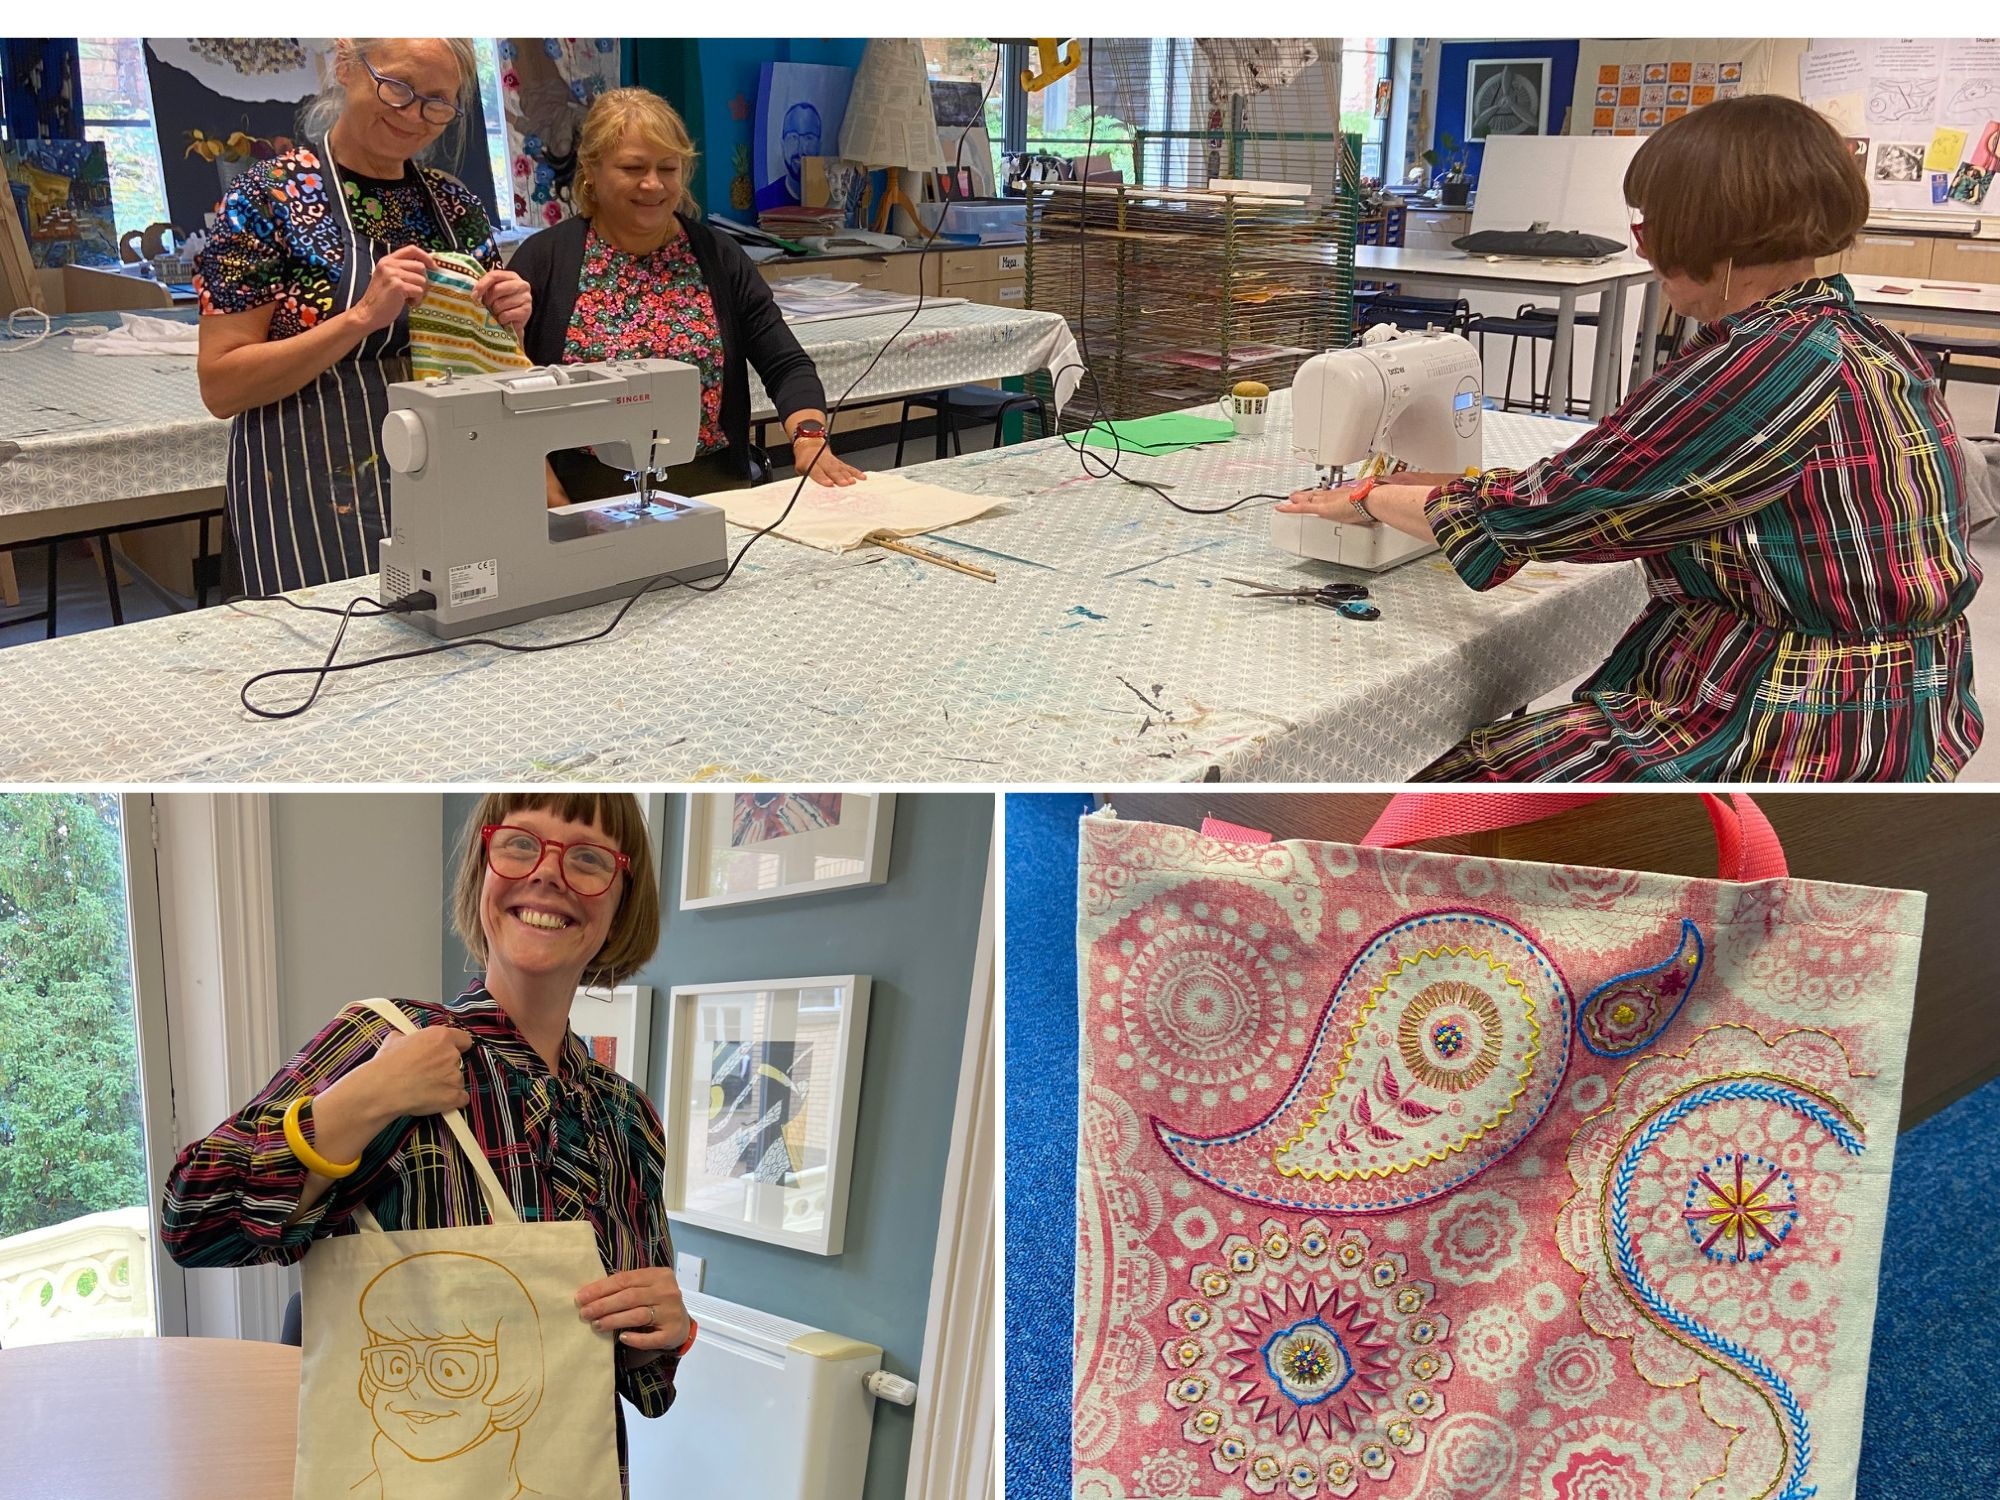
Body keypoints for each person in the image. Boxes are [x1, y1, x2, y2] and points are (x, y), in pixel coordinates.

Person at [1278, 95, 1983, 781]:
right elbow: (1606, 482)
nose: (1643, 246)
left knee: (1454, 790)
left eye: (1651, 227)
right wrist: (1425, 487)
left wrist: (1369, 498)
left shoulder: (1760, 368)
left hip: (1798, 721)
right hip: (1907, 695)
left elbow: (1541, 513)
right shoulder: (1857, 336)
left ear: (1702, 235)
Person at [162, 793, 684, 1495]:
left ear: (621, 903)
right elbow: (192, 1221)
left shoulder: (625, 1117)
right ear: (483, 870)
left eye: (588, 858)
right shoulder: (388, 1040)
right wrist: (367, 1098)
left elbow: (636, 1383)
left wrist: (665, 1326)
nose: (550, 874)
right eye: (521, 845)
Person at [194, 38, 532, 595]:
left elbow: (488, 362)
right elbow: (222, 386)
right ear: (346, 66)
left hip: (442, 480)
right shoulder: (266, 199)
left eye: (437, 102)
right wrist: (361, 318)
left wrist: (507, 319)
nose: (413, 115)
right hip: (306, 486)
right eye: (397, 88)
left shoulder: (454, 207)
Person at [508, 87, 863, 501]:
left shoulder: (716, 256)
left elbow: (784, 362)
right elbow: (507, 392)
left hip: (712, 489)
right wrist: (551, 501)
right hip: (580, 494)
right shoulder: (545, 261)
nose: (653, 184)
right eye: (633, 167)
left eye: (668, 168)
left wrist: (808, 437)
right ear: (591, 169)